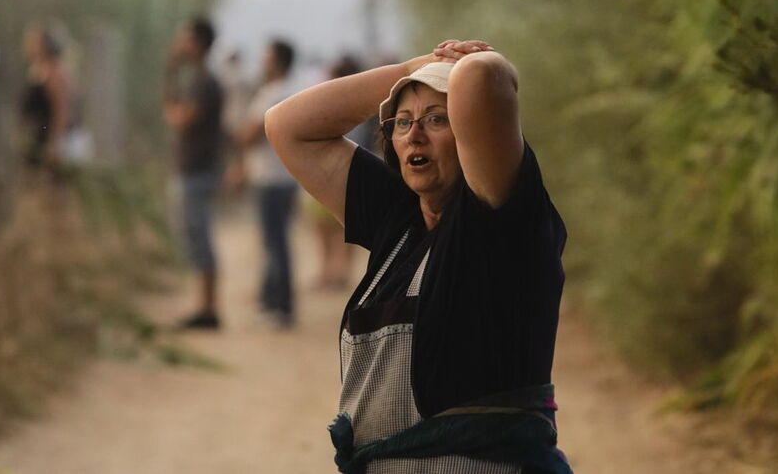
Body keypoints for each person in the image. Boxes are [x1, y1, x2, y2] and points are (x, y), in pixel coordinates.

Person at [265, 40, 572, 473]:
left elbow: (481, 77)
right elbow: (285, 124)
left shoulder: (501, 217)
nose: (414, 134)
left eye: (436, 119)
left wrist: (466, 62)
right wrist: (414, 67)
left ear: (471, 135)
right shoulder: (397, 221)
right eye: (402, 122)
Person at [163, 17, 226, 330]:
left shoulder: (205, 83)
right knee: (194, 236)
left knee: (199, 237)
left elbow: (181, 119)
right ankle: (205, 307)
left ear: (199, 43)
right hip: (194, 170)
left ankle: (209, 309)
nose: (180, 44)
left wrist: (170, 77)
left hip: (197, 172)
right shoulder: (199, 80)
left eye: (185, 38)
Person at [238, 39, 299, 328]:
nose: (262, 60)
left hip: (270, 178)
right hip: (286, 176)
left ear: (277, 61)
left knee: (274, 242)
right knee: (278, 239)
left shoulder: (271, 94)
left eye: (266, 55)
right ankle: (272, 301)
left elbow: (249, 133)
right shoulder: (294, 90)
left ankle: (280, 306)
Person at [305, 55, 366, 290]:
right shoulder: (362, 109)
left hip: (331, 175)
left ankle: (331, 271)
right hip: (351, 176)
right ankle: (337, 272)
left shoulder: (336, 109)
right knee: (344, 228)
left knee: (329, 227)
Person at [20, 22, 74, 174]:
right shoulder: (37, 70)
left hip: (53, 140)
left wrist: (55, 142)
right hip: (38, 138)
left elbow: (62, 110)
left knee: (55, 190)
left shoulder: (57, 73)